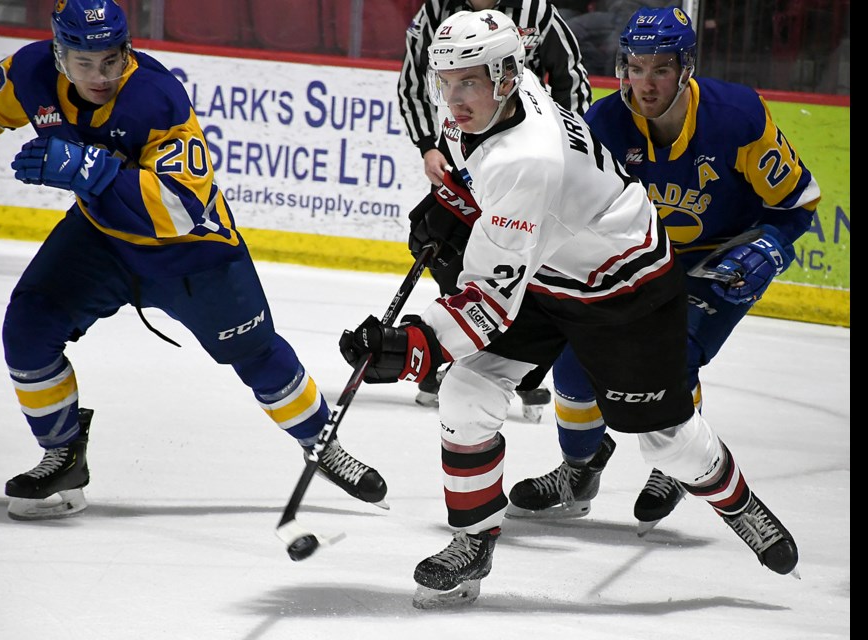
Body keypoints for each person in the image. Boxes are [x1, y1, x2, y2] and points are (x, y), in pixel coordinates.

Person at [339, 8, 799, 609]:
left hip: (623, 288)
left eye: (469, 81)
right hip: (547, 265)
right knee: (468, 392)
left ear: (504, 76)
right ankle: (473, 540)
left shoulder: (526, 161)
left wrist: (407, 350)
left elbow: (486, 305)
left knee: (666, 441)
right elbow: (483, 186)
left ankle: (738, 502)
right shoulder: (512, 91)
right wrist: (451, 205)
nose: (453, 98)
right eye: (446, 81)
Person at [0, 0, 387, 521]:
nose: (100, 75)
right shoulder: (30, 72)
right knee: (28, 328)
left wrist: (89, 169)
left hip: (192, 255)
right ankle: (63, 456)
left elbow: (181, 208)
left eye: (111, 60)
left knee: (258, 354)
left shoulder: (156, 97)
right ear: (59, 54)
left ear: (127, 50)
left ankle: (323, 445)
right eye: (84, 62)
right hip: (101, 239)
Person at [506, 6, 821, 536]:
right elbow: (572, 217)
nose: (645, 83)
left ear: (686, 67)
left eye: (660, 68)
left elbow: (798, 201)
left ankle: (675, 461)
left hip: (723, 259)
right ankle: (579, 472)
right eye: (635, 67)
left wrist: (769, 246)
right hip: (642, 258)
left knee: (675, 352)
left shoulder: (737, 116)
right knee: (575, 358)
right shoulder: (602, 126)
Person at [398, 0, 593, 417]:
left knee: (523, 263)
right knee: (446, 242)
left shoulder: (535, 9)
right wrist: (428, 145)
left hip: (521, 153)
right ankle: (455, 349)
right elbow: (415, 79)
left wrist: (561, 145)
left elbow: (570, 77)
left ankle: (523, 365)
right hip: (472, 145)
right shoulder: (438, 10)